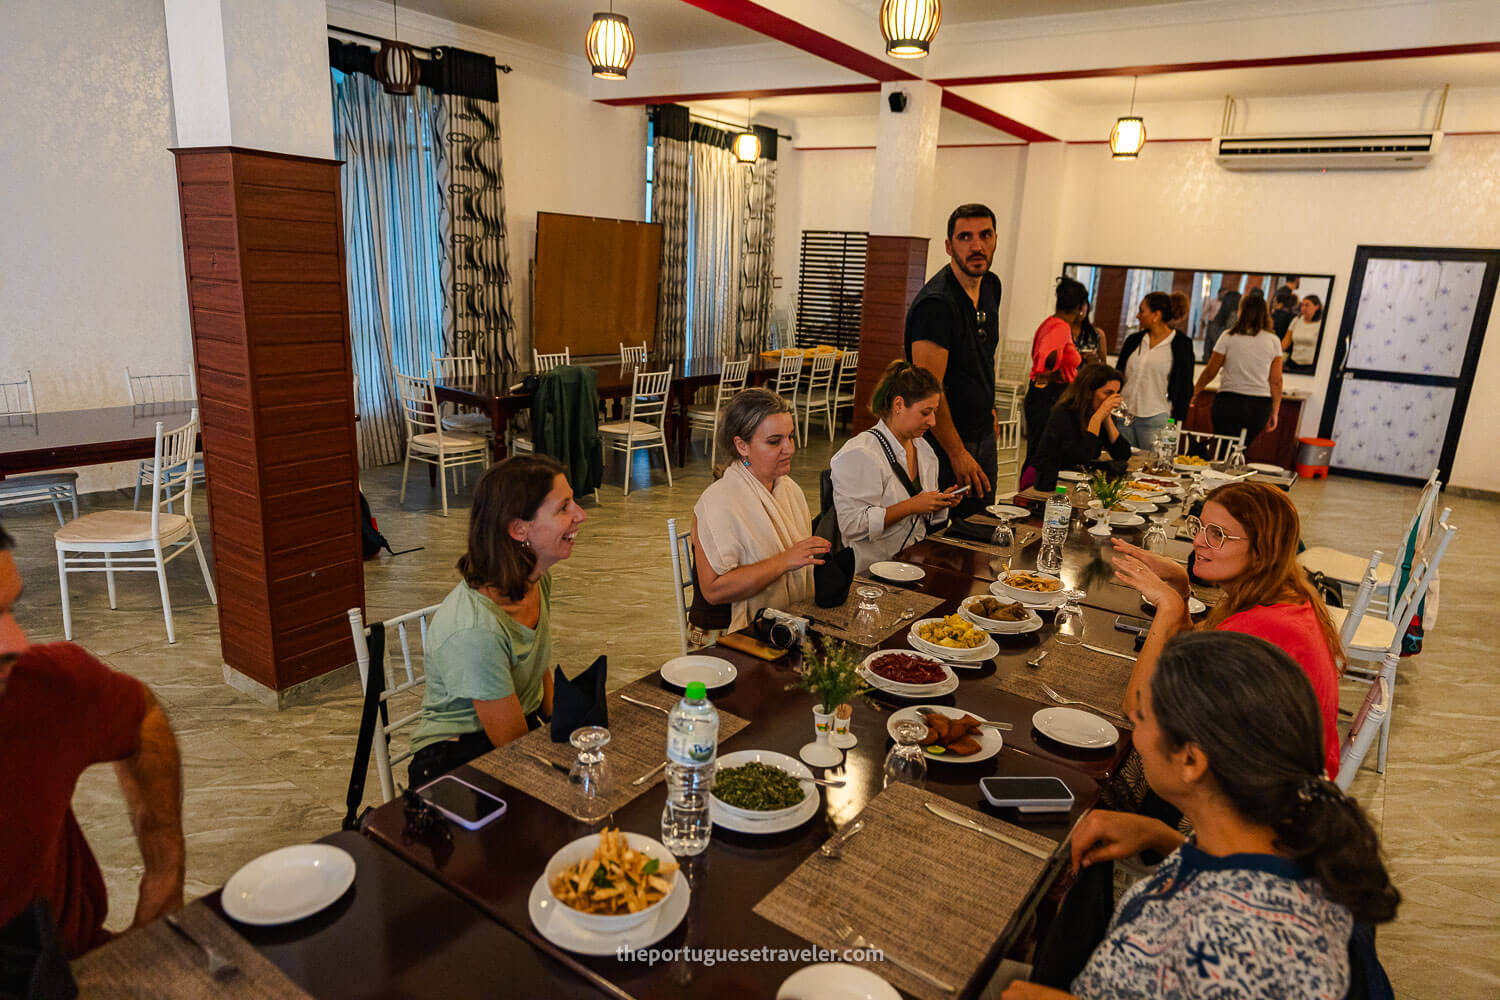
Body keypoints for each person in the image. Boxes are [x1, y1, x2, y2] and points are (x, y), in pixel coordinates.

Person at [1003, 631, 1399, 1000]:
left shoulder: (1237, 945)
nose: (1134, 733)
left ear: (1191, 760)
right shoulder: (1290, 831)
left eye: (1141, 719)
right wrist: (1163, 836)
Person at [0, 521, 185, 957]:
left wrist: (164, 876)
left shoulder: (37, 687)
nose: (16, 643)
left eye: (10, 610)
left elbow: (143, 718)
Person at [1110, 480, 1343, 778]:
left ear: (1261, 552)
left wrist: (1168, 609)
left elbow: (1138, 711)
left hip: (1265, 798)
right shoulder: (1284, 594)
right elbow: (1190, 660)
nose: (1198, 542)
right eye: (1200, 527)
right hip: (1269, 767)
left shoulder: (1259, 627)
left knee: (1117, 765)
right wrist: (1180, 586)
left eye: (1217, 534)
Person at [408, 455, 586, 785]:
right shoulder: (476, 631)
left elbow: (535, 669)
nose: (580, 515)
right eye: (564, 507)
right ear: (519, 529)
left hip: (517, 731)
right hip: (456, 765)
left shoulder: (535, 579)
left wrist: (568, 728)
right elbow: (515, 750)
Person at [693, 388, 831, 631]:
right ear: (742, 445)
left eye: (790, 437)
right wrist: (785, 561)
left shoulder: (789, 490)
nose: (789, 449)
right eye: (774, 441)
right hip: (726, 635)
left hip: (785, 621)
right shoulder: (718, 502)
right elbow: (714, 591)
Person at [905, 203, 1003, 517]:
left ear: (995, 240)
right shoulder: (936, 305)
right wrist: (957, 452)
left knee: (982, 526)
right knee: (945, 539)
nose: (977, 246)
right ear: (949, 246)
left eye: (985, 235)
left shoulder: (991, 286)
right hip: (944, 443)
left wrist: (989, 407)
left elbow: (982, 356)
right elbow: (928, 391)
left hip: (982, 434)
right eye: (965, 237)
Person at [830, 361, 964, 574]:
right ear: (899, 405)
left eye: (935, 412)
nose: (933, 422)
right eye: (925, 412)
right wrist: (912, 505)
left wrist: (937, 504)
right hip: (869, 572)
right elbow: (852, 526)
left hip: (915, 563)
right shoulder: (861, 453)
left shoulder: (925, 450)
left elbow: (918, 520)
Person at [1023, 362, 1133, 493]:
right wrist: (1098, 417)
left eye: (1116, 393)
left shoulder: (1096, 413)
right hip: (1043, 482)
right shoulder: (1065, 412)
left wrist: (1107, 418)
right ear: (1089, 391)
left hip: (1072, 482)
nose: (1112, 399)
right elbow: (1081, 455)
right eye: (1108, 393)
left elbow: (1123, 454)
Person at [1191, 294, 1283, 448]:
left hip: (1229, 402)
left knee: (1223, 450)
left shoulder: (1228, 336)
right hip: (1259, 405)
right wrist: (1275, 411)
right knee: (1241, 451)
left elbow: (1210, 371)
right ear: (1265, 313)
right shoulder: (1273, 340)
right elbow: (1276, 381)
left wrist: (1195, 392)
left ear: (1241, 311)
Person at [1115, 291, 1195, 450]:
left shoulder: (1181, 344)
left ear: (1156, 315)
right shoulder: (1134, 340)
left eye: (1142, 311)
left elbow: (1185, 387)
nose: (1138, 315)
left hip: (1155, 418)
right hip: (1124, 415)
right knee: (1120, 465)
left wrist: (1176, 422)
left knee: (1152, 468)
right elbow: (1119, 374)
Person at [1023, 277, 1090, 468]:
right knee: (1042, 454)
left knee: (1038, 450)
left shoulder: (1050, 323)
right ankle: (1033, 492)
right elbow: (1045, 359)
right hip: (1049, 396)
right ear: (1080, 308)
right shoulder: (1060, 327)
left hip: (1043, 395)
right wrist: (1055, 374)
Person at [1284, 293, 1324, 367]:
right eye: (1302, 305)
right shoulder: (1296, 320)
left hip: (1310, 365)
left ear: (1316, 307)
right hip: (1293, 362)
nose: (1303, 308)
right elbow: (1286, 342)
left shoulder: (1321, 324)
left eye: (1307, 305)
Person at [1201, 287, 1239, 361]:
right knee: (1209, 342)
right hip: (1213, 323)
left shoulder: (1230, 309)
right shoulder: (1212, 301)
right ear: (1219, 293)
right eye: (1224, 294)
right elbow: (1205, 311)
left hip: (1222, 325)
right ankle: (1206, 358)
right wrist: (1203, 320)